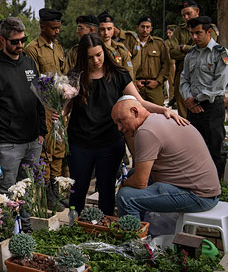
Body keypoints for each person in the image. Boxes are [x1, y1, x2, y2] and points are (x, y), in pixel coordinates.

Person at [64, 33, 187, 216]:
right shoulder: (75, 76)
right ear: (83, 57)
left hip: (110, 141)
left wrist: (163, 110)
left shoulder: (118, 73)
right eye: (90, 57)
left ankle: (105, 225)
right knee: (78, 188)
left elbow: (139, 102)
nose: (96, 60)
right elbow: (66, 107)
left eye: (99, 54)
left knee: (106, 189)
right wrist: (57, 113)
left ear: (104, 51)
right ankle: (74, 222)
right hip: (80, 142)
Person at [0, 16, 48, 231]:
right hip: (8, 143)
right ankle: (9, 234)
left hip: (33, 140)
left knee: (28, 189)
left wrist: (42, 131)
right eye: (14, 41)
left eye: (23, 40)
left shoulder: (29, 62)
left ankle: (27, 231)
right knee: (7, 193)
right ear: (2, 40)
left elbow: (39, 97)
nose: (20, 45)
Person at [112, 97, 220, 221]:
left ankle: (134, 239)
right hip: (205, 189)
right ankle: (145, 225)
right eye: (117, 124)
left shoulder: (146, 132)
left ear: (135, 112)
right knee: (132, 174)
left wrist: (123, 184)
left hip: (199, 196)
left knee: (125, 197)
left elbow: (140, 182)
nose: (119, 128)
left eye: (121, 121)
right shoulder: (157, 118)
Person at [180, 16, 228, 178]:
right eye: (192, 33)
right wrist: (189, 99)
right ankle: (198, 180)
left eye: (198, 33)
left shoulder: (222, 54)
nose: (194, 37)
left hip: (212, 106)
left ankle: (218, 182)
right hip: (192, 107)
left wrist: (197, 99)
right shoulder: (191, 54)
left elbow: (220, 83)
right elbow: (184, 78)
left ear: (209, 32)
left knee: (215, 146)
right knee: (195, 146)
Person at [24, 8, 67, 208]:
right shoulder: (33, 49)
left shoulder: (58, 47)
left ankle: (57, 189)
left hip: (60, 107)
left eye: (58, 28)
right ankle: (46, 193)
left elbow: (64, 76)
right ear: (42, 26)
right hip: (44, 109)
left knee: (59, 149)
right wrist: (46, 109)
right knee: (46, 152)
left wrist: (65, 101)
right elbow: (32, 83)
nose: (57, 31)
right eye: (53, 28)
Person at [168, 1, 219, 116]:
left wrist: (185, 48)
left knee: (205, 111)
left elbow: (208, 48)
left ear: (197, 11)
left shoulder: (209, 28)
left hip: (204, 74)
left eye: (188, 13)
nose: (186, 17)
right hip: (183, 74)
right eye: (183, 15)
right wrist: (195, 51)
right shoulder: (178, 31)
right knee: (184, 111)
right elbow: (173, 53)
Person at [126, 16, 171, 106]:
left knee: (159, 113)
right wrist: (134, 82)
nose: (145, 30)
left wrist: (158, 81)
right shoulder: (130, 43)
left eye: (148, 27)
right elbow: (125, 65)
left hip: (154, 86)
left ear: (151, 29)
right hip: (136, 86)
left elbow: (166, 65)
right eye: (142, 27)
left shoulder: (158, 43)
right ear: (137, 27)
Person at [97, 11, 135, 79]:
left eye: (109, 29)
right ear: (98, 30)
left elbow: (129, 74)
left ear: (113, 29)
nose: (106, 33)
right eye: (102, 29)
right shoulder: (93, 49)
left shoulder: (121, 49)